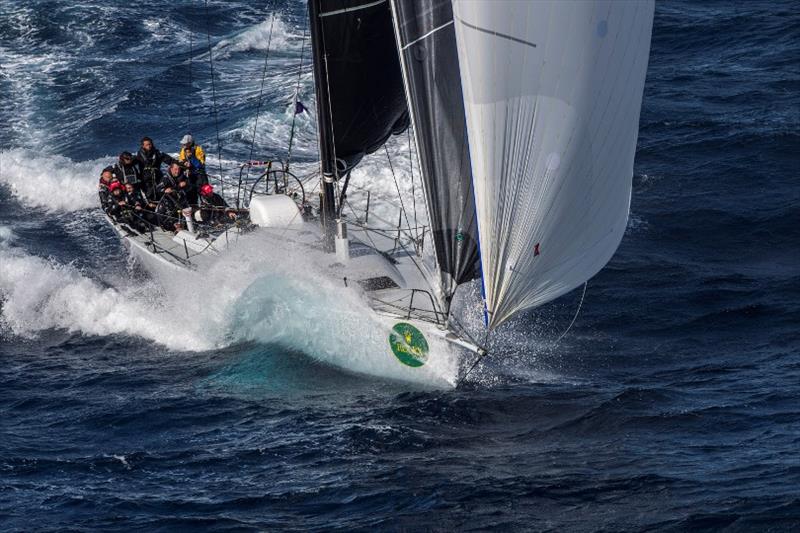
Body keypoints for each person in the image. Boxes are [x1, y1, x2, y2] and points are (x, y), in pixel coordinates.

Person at [156, 163, 193, 232]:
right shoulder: (165, 178)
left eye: (179, 169)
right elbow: (158, 188)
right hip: (169, 201)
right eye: (175, 169)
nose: (177, 171)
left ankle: (187, 226)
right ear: (171, 169)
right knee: (167, 214)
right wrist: (165, 190)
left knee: (187, 211)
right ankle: (174, 227)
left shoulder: (183, 177)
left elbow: (190, 186)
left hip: (181, 200)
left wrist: (185, 185)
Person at [136, 136, 175, 201]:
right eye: (147, 145)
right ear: (143, 146)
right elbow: (129, 163)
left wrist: (179, 164)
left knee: (161, 193)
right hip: (146, 179)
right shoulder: (139, 155)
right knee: (149, 196)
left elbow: (169, 160)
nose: (149, 146)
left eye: (150, 144)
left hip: (157, 177)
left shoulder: (157, 153)